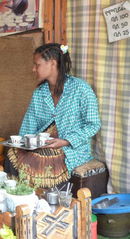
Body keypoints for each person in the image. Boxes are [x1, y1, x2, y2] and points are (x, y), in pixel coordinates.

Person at [5, 43, 101, 188]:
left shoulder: (81, 88)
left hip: (71, 147)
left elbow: (93, 124)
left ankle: (45, 203)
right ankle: (18, 196)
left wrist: (66, 141)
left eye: (37, 65)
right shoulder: (40, 93)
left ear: (52, 64)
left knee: (43, 159)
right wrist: (23, 143)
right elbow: (29, 123)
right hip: (44, 143)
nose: (33, 69)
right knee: (13, 153)